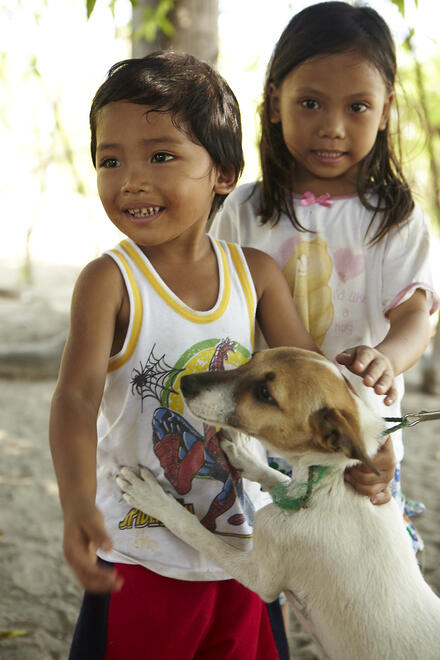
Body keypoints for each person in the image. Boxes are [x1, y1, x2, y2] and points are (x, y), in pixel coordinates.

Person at [49, 50, 326, 660]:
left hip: (243, 550)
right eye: (109, 160)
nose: (132, 179)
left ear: (223, 173)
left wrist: (365, 396)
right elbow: (74, 397)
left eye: (161, 155)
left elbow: (310, 378)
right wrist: (74, 504)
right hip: (143, 550)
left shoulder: (253, 275)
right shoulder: (110, 280)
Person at [210, 1, 438, 555]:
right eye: (309, 103)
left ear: (385, 111)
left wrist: (386, 356)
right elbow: (217, 306)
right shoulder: (245, 210)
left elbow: (417, 317)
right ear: (273, 105)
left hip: (353, 436)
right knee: (264, 565)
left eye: (357, 106)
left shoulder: (394, 217)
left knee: (366, 573)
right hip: (257, 433)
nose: (332, 127)